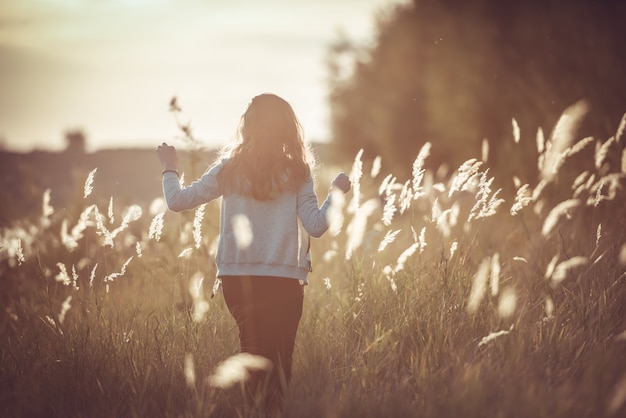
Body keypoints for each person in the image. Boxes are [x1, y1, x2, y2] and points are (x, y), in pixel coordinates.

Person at [156, 93, 351, 415]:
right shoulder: (298, 172)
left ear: (248, 126)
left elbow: (177, 202)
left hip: (238, 279)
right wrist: (337, 194)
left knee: (253, 354)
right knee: (279, 360)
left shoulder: (228, 170)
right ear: (288, 129)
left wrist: (170, 168)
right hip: (285, 281)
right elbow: (316, 225)